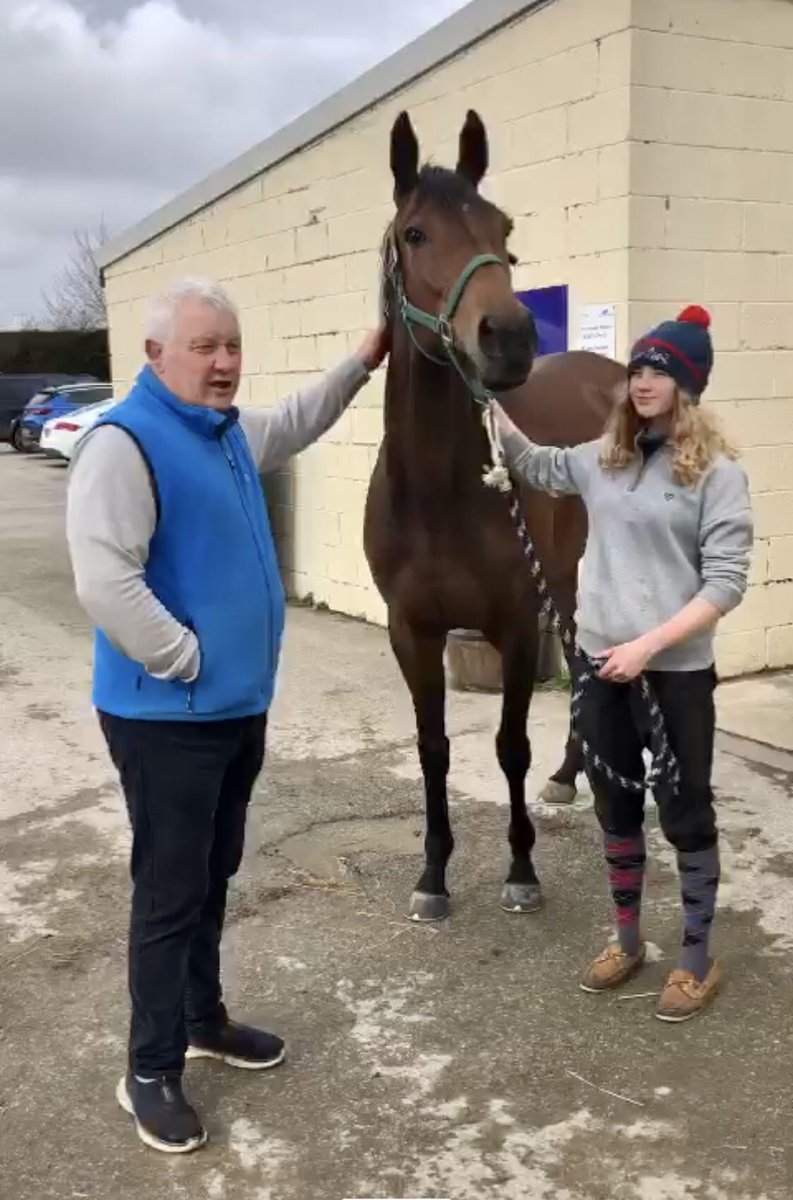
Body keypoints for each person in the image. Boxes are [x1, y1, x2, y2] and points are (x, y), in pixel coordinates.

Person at [66, 277, 389, 1153]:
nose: (223, 363)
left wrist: (364, 357)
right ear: (155, 355)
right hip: (166, 718)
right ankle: (147, 1069)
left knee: (213, 872)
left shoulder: (228, 435)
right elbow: (104, 580)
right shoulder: (124, 443)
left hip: (232, 711)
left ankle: (203, 1020)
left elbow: (294, 421)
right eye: (205, 347)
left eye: (232, 345)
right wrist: (188, 659)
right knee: (170, 891)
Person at [493, 306, 753, 1023]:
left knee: (684, 811)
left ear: (686, 384)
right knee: (614, 804)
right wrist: (487, 403)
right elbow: (533, 464)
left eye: (658, 371)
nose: (641, 381)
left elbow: (723, 583)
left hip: (671, 674)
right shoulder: (599, 458)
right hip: (598, 666)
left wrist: (646, 646)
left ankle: (696, 958)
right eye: (637, 368)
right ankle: (629, 939)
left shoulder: (717, 477)